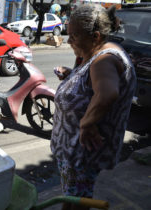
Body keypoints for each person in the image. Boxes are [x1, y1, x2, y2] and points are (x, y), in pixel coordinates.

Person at [51, 4, 136, 210]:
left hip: (81, 154)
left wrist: (87, 124)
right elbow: (92, 84)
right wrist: (72, 75)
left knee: (75, 202)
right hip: (75, 153)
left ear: (96, 36)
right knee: (74, 197)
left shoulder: (104, 60)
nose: (69, 40)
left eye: (74, 36)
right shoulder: (97, 53)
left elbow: (108, 93)